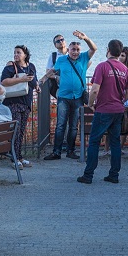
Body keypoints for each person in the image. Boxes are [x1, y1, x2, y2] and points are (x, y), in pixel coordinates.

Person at [77, 39, 128, 185]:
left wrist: (90, 104)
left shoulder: (102, 67)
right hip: (118, 110)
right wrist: (121, 100)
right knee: (115, 143)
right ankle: (114, 175)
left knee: (94, 141)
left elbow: (95, 89)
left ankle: (88, 175)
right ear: (120, 52)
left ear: (108, 49)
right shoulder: (124, 69)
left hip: (104, 109)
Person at [44, 30, 97, 161]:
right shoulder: (61, 60)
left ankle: (70, 151)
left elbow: (94, 48)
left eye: (77, 49)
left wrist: (85, 38)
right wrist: (42, 80)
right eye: (73, 49)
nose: (75, 52)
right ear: (69, 50)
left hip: (78, 97)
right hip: (63, 97)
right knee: (60, 125)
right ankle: (56, 152)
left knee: (74, 126)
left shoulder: (84, 58)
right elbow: (52, 71)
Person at [1, 45, 39, 168]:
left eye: (19, 52)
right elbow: (4, 81)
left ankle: (19, 157)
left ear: (25, 55)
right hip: (13, 102)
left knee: (21, 131)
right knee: (15, 131)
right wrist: (21, 79)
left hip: (26, 103)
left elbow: (34, 81)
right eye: (15, 52)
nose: (16, 55)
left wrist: (37, 86)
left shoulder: (31, 67)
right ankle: (14, 158)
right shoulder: (11, 66)